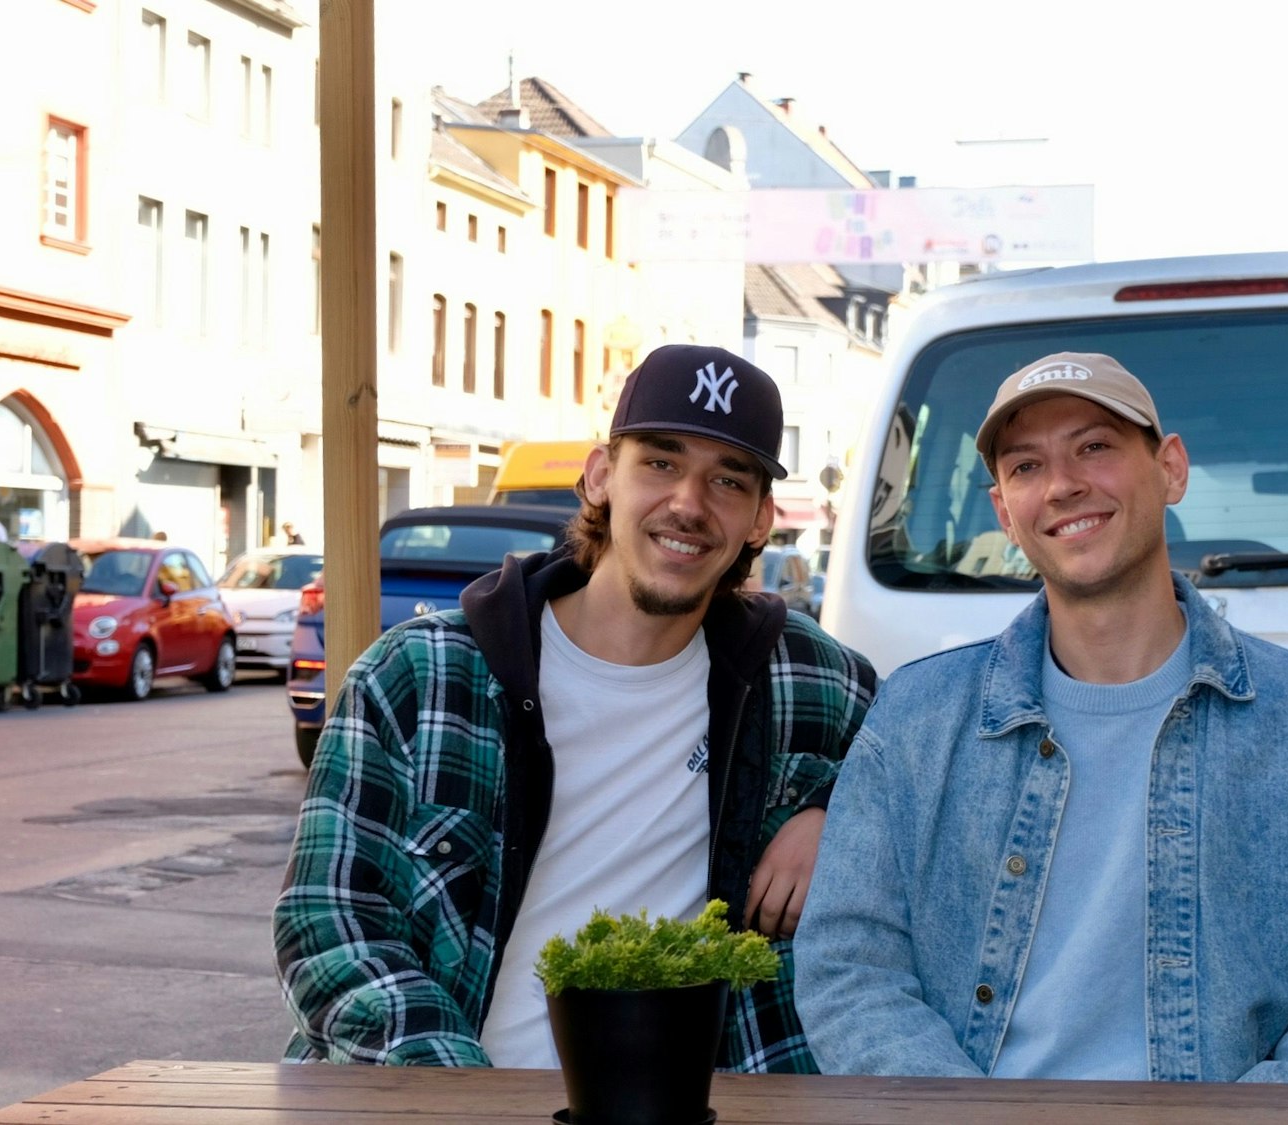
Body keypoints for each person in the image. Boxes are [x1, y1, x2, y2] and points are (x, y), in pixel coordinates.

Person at [794, 353, 1288, 1083]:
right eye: (1027, 465)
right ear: (1004, 510)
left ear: (1172, 469)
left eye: (1094, 446)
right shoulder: (915, 718)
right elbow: (850, 969)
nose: (1063, 485)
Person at [275, 344, 877, 1071]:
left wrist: (833, 809)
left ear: (759, 519)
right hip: (443, 1096)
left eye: (727, 479)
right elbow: (330, 921)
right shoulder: (420, 676)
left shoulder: (813, 683)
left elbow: (933, 769)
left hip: (696, 1105)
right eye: (660, 461)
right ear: (600, 477)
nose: (689, 501)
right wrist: (460, 1095)